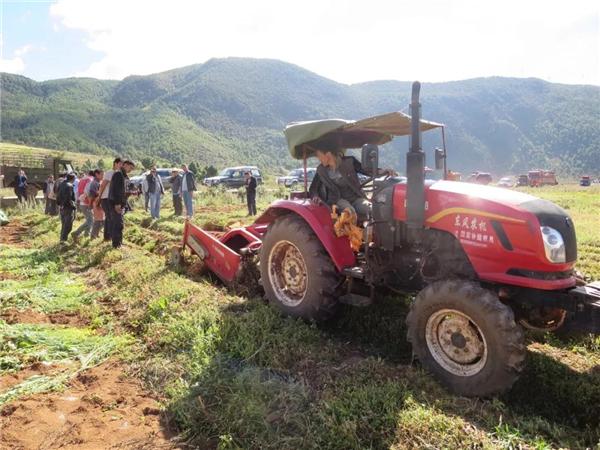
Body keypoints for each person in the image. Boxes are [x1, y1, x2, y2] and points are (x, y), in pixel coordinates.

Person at [309, 148, 392, 221]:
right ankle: (354, 237)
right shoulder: (321, 170)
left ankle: (374, 234)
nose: (319, 159)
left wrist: (382, 171)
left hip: (355, 197)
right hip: (337, 200)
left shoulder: (349, 162)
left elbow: (365, 170)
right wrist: (315, 196)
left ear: (328, 154)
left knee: (372, 209)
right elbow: (313, 188)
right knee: (350, 212)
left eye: (319, 156)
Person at [108, 159, 135, 248]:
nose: (131, 170)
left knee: (119, 224)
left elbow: (125, 189)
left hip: (121, 203)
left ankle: (118, 242)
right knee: (118, 224)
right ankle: (116, 245)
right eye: (130, 168)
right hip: (116, 204)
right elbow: (115, 190)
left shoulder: (124, 176)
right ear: (125, 165)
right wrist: (117, 204)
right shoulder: (118, 174)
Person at [96, 157, 122, 242]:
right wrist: (99, 197)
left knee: (109, 217)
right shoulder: (110, 173)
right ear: (115, 163)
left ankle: (108, 236)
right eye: (120, 164)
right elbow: (103, 185)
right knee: (110, 217)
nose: (121, 165)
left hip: (111, 198)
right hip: (106, 197)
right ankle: (108, 236)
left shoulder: (119, 173)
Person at [72, 171, 94, 239]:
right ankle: (76, 232)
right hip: (87, 202)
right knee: (90, 220)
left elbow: (77, 191)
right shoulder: (90, 180)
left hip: (82, 202)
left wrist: (78, 200)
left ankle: (86, 234)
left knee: (89, 220)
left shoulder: (81, 180)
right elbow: (88, 192)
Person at [56, 173, 76, 242]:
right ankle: (63, 240)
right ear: (72, 179)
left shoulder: (61, 184)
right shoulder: (69, 186)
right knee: (68, 226)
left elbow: (57, 194)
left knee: (64, 224)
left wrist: (60, 204)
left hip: (61, 206)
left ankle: (62, 239)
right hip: (68, 207)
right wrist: (73, 206)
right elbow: (69, 198)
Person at [86, 169, 105, 239]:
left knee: (101, 220)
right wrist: (90, 204)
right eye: (102, 174)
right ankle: (93, 235)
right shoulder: (94, 183)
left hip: (99, 203)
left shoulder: (98, 182)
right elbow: (91, 195)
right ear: (97, 174)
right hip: (96, 202)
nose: (103, 176)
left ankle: (95, 234)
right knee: (98, 220)